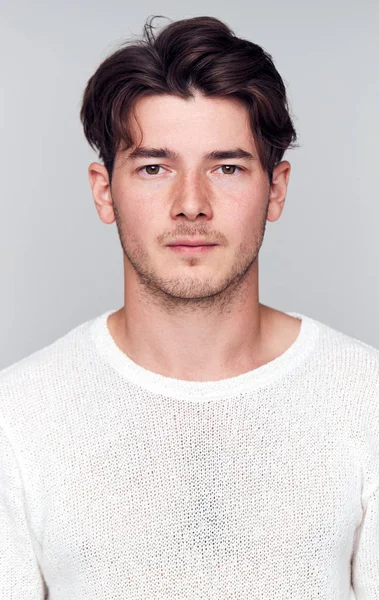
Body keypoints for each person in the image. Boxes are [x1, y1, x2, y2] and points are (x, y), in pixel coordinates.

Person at [0, 14, 378, 600]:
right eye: (155, 168)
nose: (191, 204)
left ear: (276, 189)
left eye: (226, 167)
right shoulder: (17, 420)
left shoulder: (366, 399)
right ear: (105, 191)